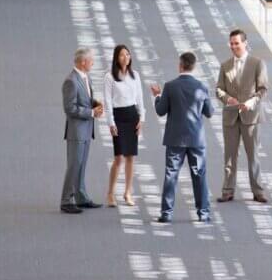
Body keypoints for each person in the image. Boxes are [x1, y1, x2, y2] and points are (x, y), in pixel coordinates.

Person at [149, 51, 214, 223]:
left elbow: (160, 111)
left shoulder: (170, 86)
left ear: (180, 65)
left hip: (175, 138)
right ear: (194, 66)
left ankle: (167, 213)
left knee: (171, 174)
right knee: (199, 175)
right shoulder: (202, 87)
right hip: (196, 139)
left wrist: (157, 95)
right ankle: (203, 213)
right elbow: (209, 112)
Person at [216, 29, 269, 203]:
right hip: (231, 116)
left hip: (250, 116)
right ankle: (228, 190)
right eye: (231, 43)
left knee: (253, 155)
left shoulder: (257, 63)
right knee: (230, 156)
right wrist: (227, 98)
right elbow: (219, 89)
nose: (233, 46)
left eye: (236, 43)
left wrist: (251, 102)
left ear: (245, 43)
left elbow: (262, 88)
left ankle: (258, 191)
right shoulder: (225, 65)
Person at [60, 47, 104, 214]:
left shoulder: (85, 77)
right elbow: (69, 108)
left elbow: (84, 99)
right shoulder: (71, 81)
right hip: (76, 131)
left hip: (85, 130)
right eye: (91, 60)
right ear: (83, 62)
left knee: (81, 165)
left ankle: (81, 197)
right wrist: (92, 112)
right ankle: (66, 200)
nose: (93, 62)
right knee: (74, 165)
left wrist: (95, 103)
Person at [104, 44, 145, 208]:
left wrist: (142, 119)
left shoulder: (135, 75)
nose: (125, 58)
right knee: (118, 157)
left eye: (128, 55)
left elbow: (140, 98)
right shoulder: (109, 77)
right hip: (118, 116)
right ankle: (110, 193)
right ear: (116, 58)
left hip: (132, 116)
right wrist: (110, 122)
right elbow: (107, 101)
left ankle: (128, 192)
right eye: (122, 55)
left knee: (130, 157)